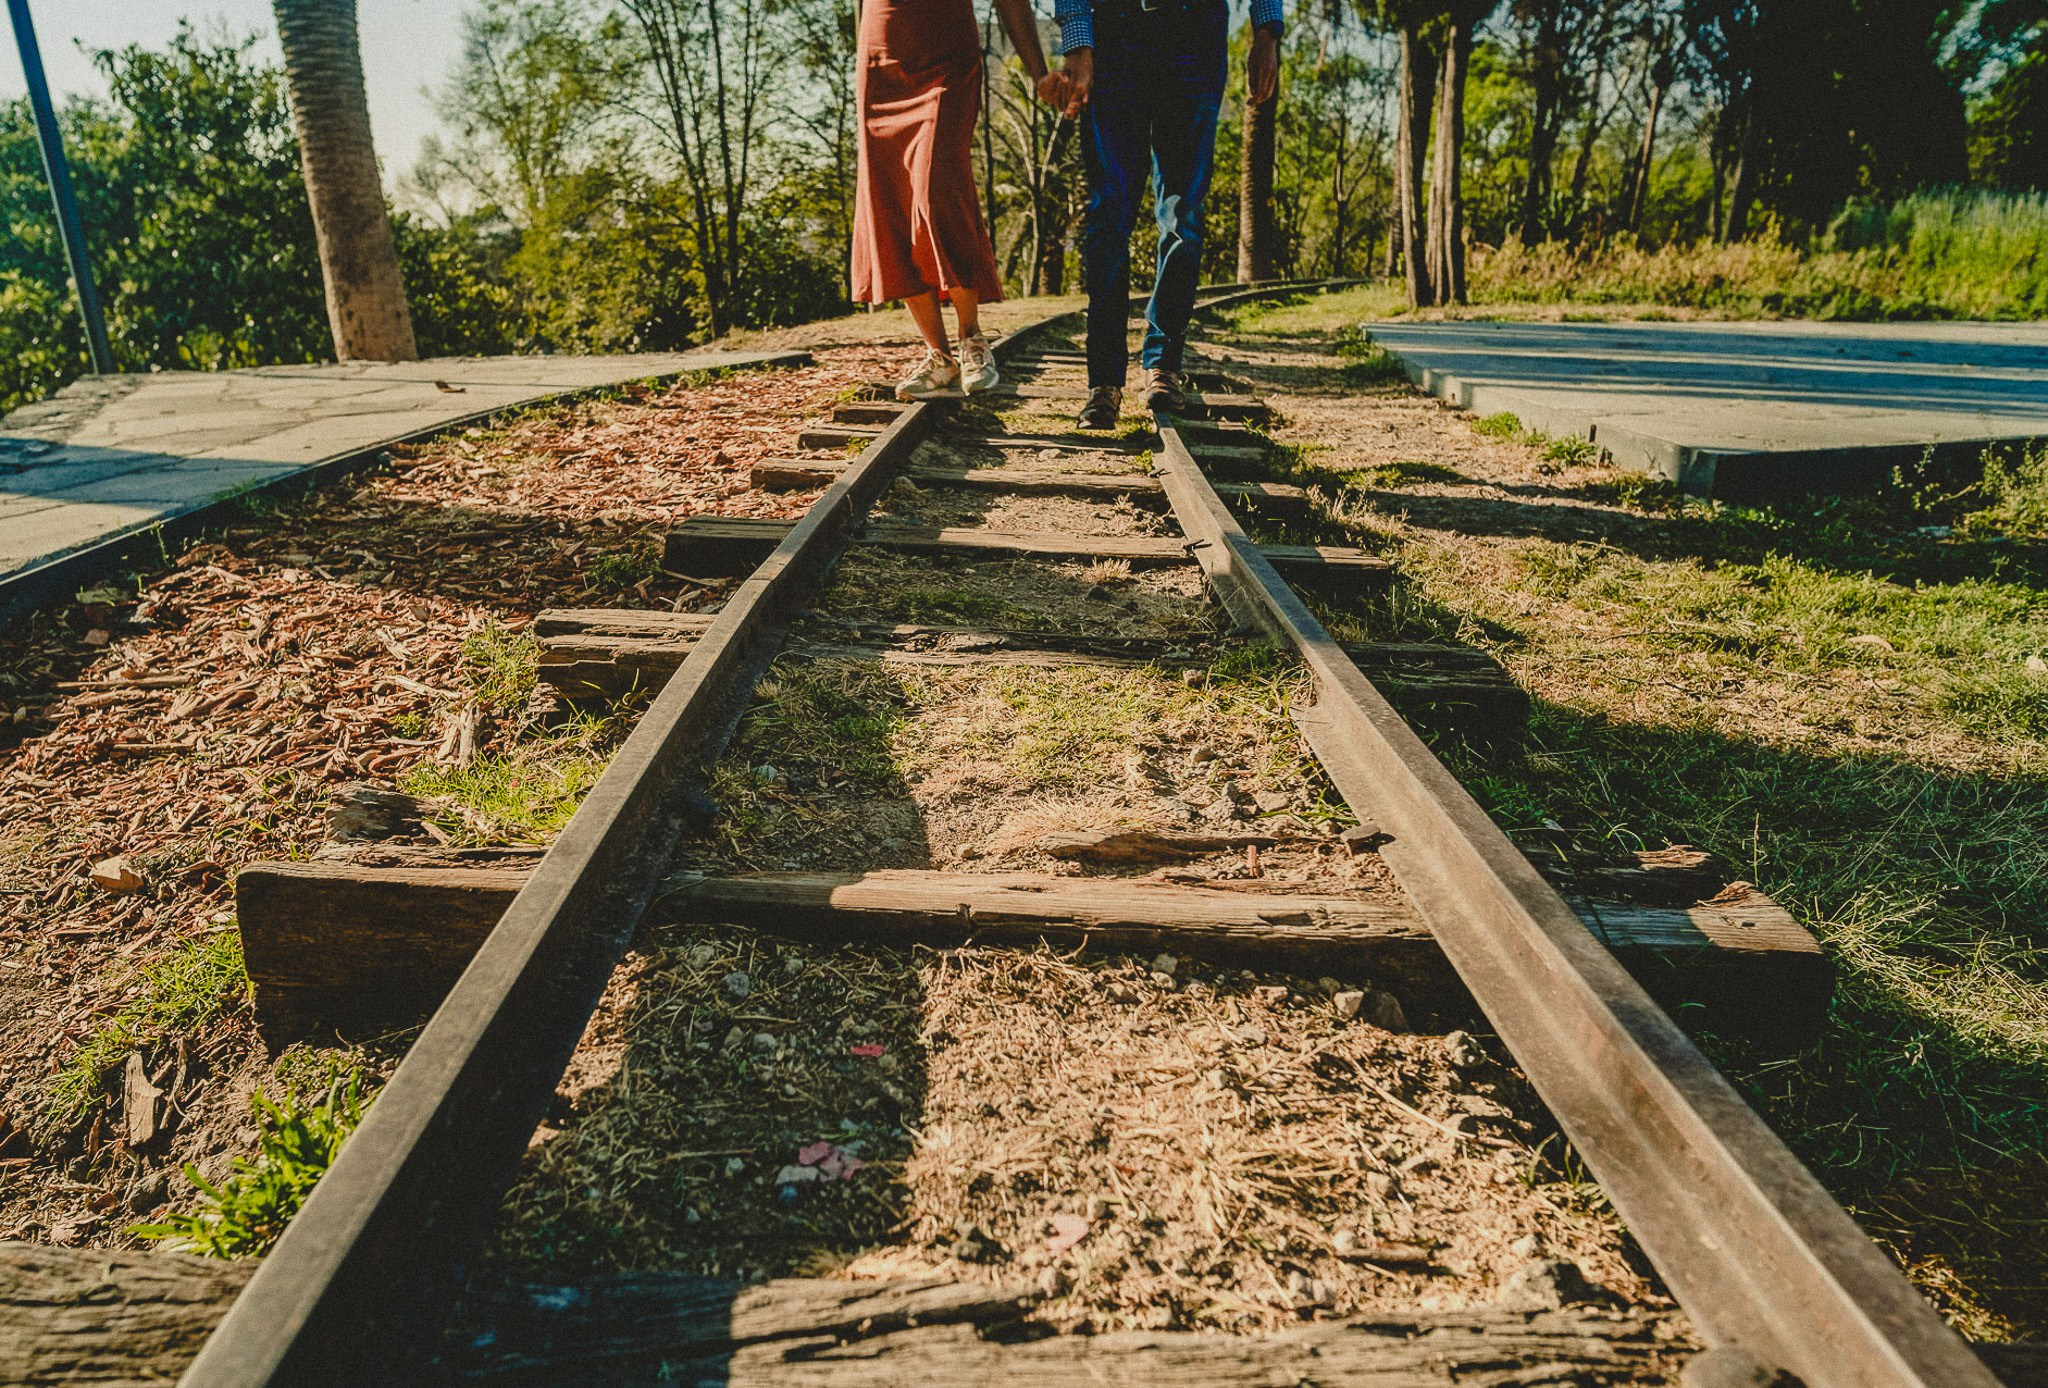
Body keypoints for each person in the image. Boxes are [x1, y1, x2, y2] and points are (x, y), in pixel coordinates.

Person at [1050, 0, 1282, 426]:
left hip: (1196, 34)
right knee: (1108, 215)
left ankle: (1163, 365)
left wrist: (1267, 32)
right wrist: (1078, 45)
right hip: (1113, 33)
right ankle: (1103, 382)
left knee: (1183, 217)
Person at [852, 0, 1060, 401]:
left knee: (936, 188)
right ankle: (938, 355)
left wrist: (1039, 73)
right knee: (890, 195)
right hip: (879, 56)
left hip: (946, 55)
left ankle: (972, 339)